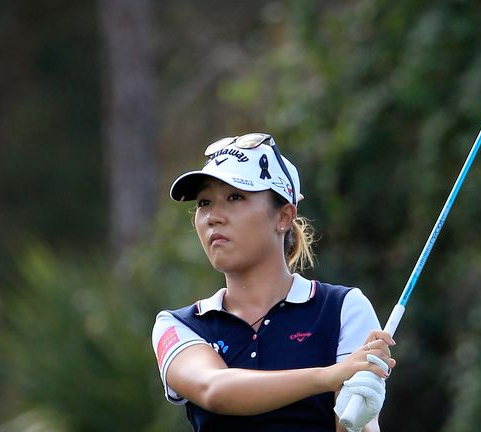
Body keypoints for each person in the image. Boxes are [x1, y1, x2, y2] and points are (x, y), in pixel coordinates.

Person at [152, 133, 396, 431]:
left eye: (235, 197)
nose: (213, 216)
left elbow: (355, 424)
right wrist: (328, 376)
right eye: (204, 203)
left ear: (284, 217)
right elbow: (212, 389)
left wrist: (358, 414)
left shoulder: (343, 308)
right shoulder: (180, 325)